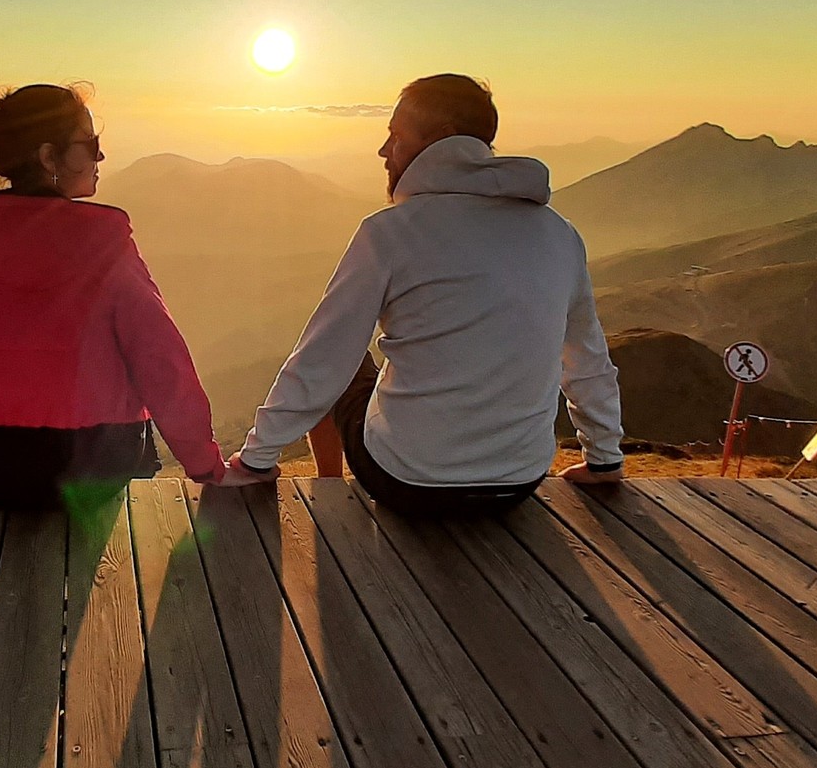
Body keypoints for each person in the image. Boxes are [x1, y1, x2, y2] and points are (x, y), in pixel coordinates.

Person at [223, 74, 624, 513]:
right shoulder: (560, 234)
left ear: (440, 142)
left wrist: (258, 459)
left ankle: (330, 485)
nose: (383, 151)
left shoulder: (389, 232)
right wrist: (604, 461)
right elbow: (586, 360)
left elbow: (322, 358)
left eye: (395, 135)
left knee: (349, 359)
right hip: (518, 483)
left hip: (404, 480)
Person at [0, 83, 227, 513]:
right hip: (96, 467)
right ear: (48, 157)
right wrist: (206, 466)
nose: (100, 157)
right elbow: (160, 359)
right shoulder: (106, 245)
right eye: (90, 144)